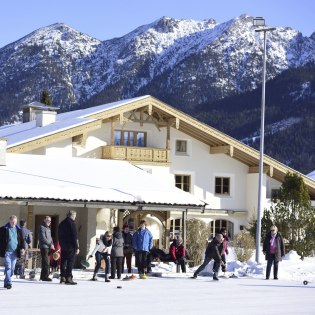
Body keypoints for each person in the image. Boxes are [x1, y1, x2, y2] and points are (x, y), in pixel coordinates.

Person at [0, 215, 25, 289]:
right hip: (7, 251)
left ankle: (6, 281)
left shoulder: (18, 230)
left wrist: (22, 248)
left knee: (12, 269)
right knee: (8, 267)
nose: (13, 223)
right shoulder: (3, 229)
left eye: (15, 221)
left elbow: (22, 241)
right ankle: (9, 283)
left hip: (15, 252)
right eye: (12, 221)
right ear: (9, 220)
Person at [58, 210, 80, 285]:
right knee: (70, 262)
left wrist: (61, 244)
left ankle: (62, 277)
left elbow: (59, 235)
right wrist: (77, 247)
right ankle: (68, 277)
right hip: (71, 245)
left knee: (63, 261)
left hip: (63, 245)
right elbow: (74, 236)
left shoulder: (62, 223)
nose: (75, 217)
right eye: (75, 216)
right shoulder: (71, 223)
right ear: (72, 215)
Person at [38, 216, 55, 281]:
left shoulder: (48, 228)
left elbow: (50, 238)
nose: (49, 222)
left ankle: (43, 276)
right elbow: (43, 238)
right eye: (48, 220)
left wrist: (52, 244)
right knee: (46, 262)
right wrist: (50, 244)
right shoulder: (41, 227)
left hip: (49, 247)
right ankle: (45, 276)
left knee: (46, 262)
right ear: (44, 220)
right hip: (44, 247)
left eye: (50, 221)